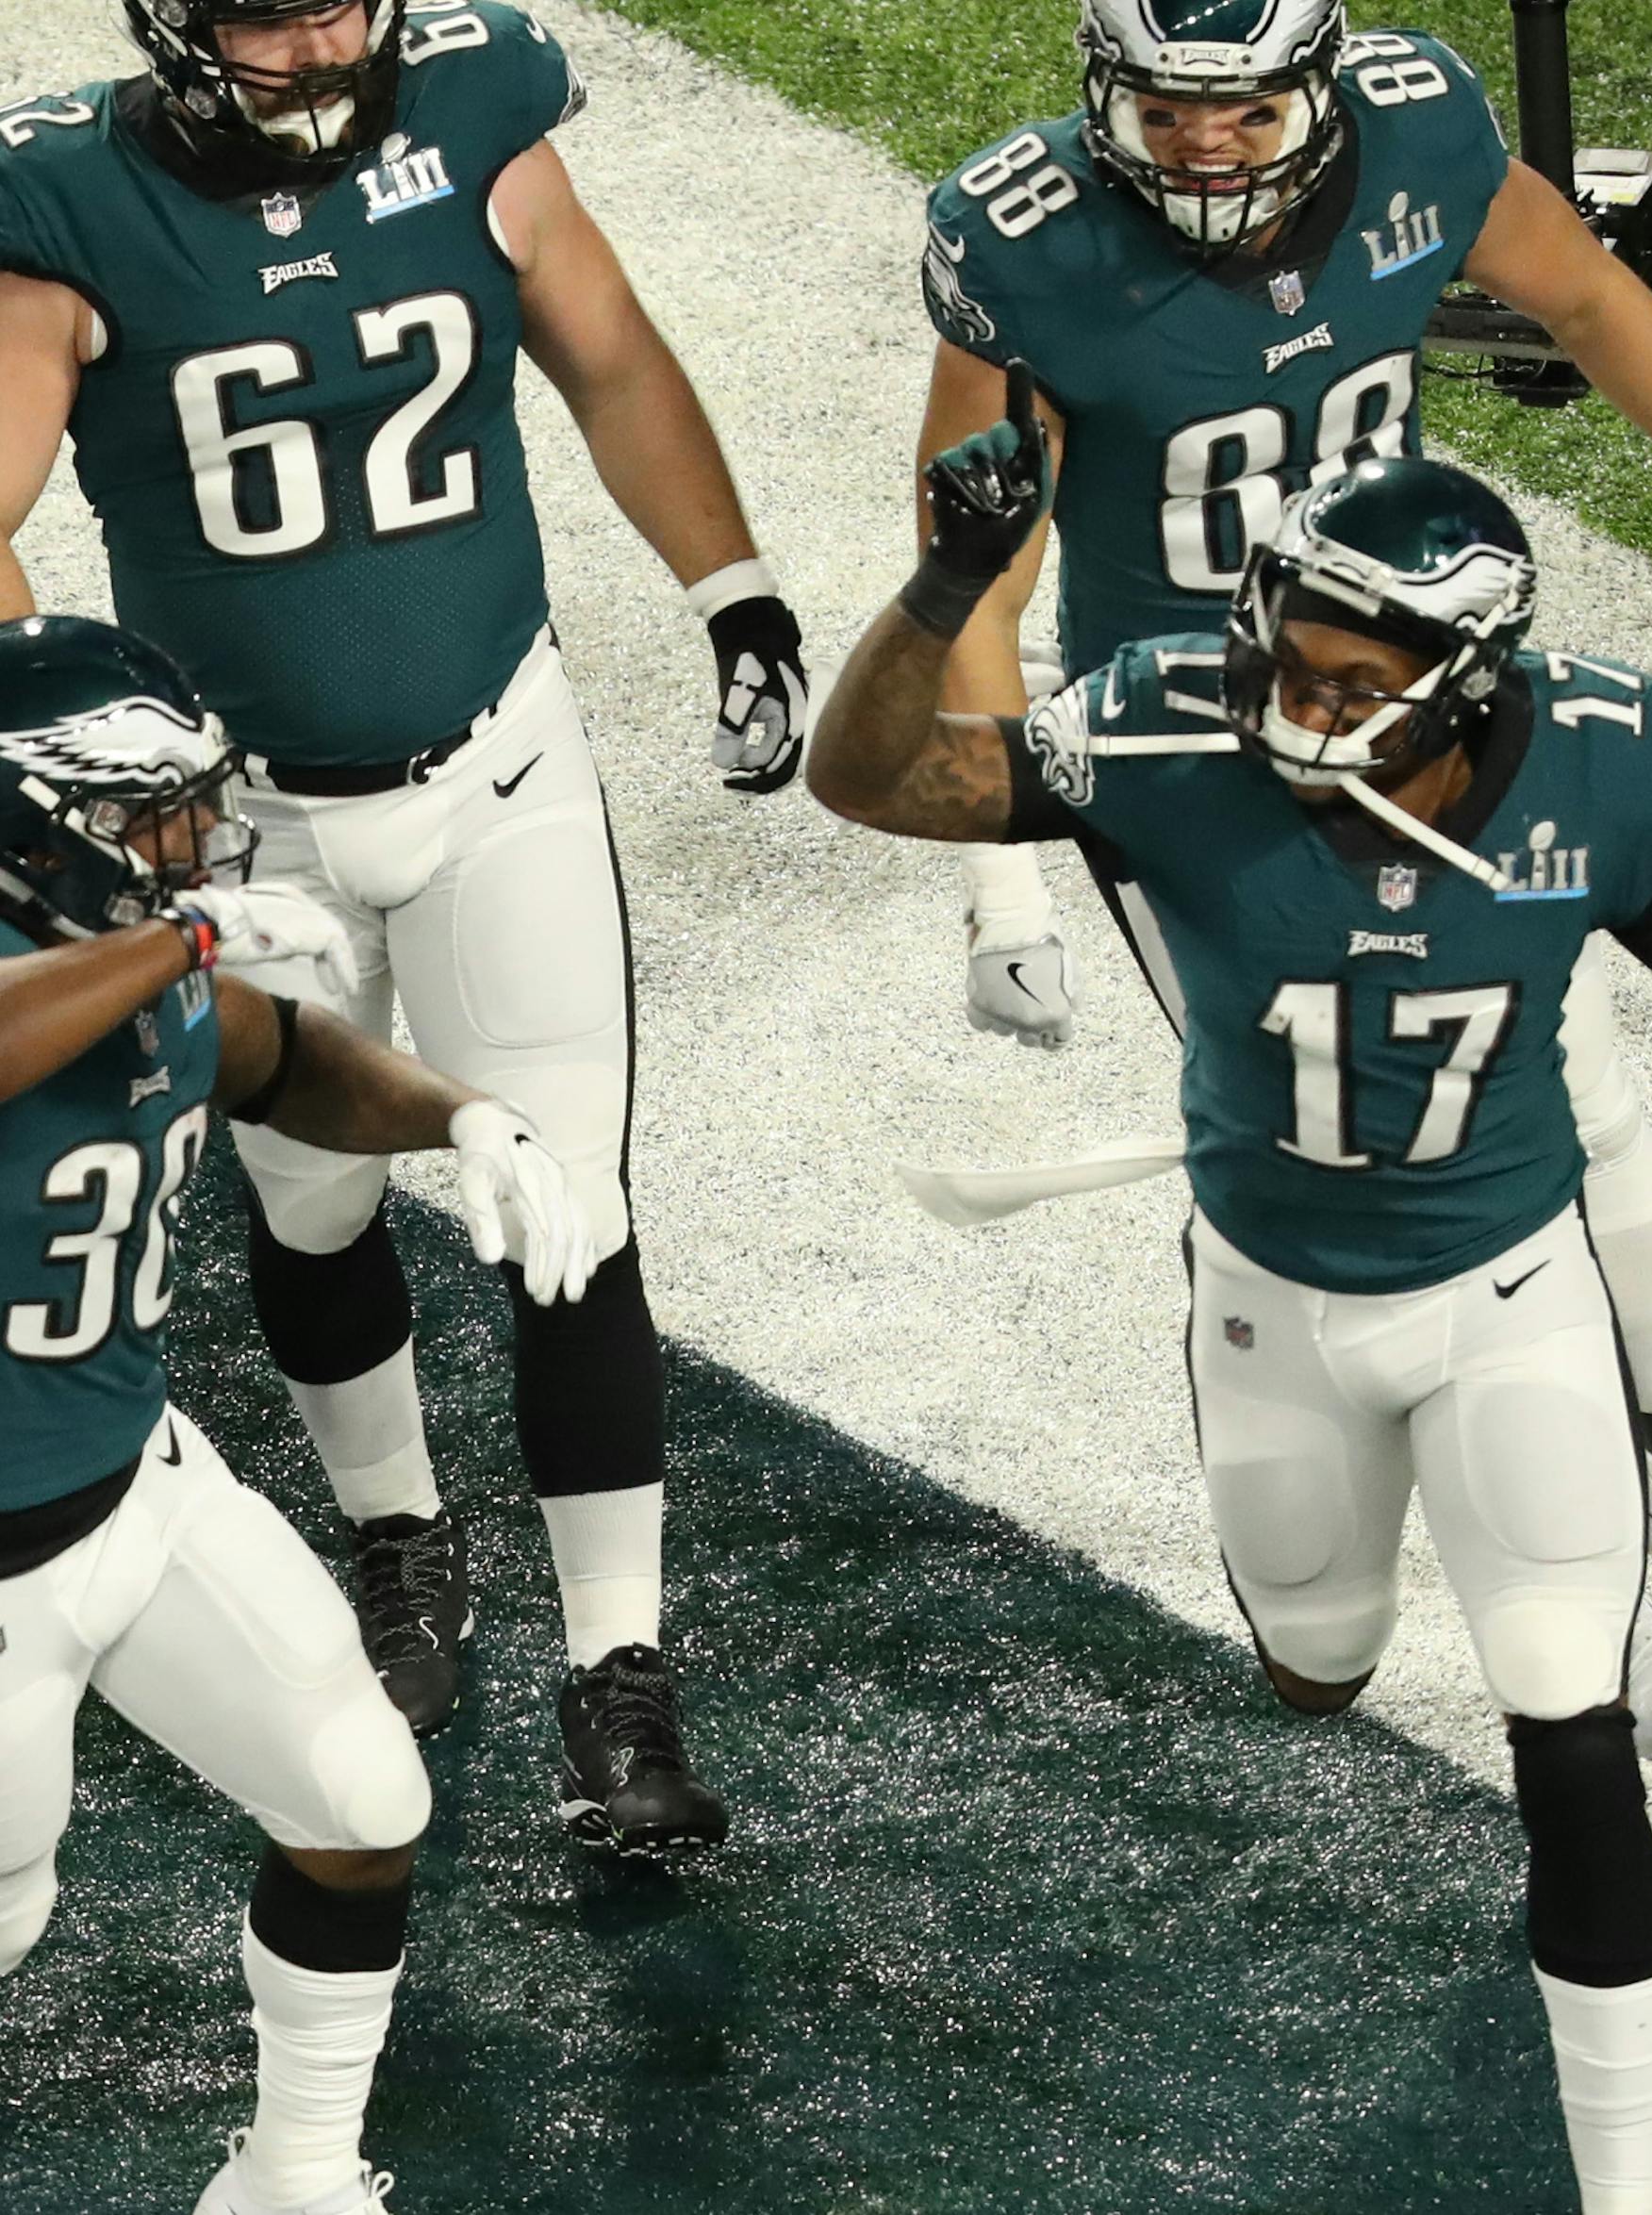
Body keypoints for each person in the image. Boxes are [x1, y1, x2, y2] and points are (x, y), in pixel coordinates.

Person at [807, 405, 1652, 2214]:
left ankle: (1625, 2176)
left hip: (1511, 1294)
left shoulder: (1603, 764)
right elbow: (865, 778)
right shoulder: (1165, 726)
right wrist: (941, 589)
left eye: (1343, 675)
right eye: (1283, 656)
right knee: (1320, 1672)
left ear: (1460, 688)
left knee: (1569, 1730)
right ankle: (1571, 1580)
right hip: (1271, 1299)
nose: (1288, 700)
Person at [911, 0, 1652, 1687]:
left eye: (1245, 109)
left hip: (1435, 699)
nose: (1206, 148)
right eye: (1166, 109)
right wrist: (1000, 871)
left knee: (1587, 1097)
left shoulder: (1418, 118)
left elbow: (1576, 285)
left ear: (1325, 84)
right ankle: (1595, 1563)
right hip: (1203, 754)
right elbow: (980, 556)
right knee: (1388, 1141)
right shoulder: (1027, 240)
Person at [0, 0, 800, 1845]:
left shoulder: (477, 94)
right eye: (271, 20)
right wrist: (73, 759)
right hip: (246, 812)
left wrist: (733, 585)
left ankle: (622, 1670)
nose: (316, 49)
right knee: (315, 1201)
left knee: (569, 1203)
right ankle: (395, 1533)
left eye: (338, 6)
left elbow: (607, 357)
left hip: (496, 764)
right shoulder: (67, 201)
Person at [0, 614, 595, 2215]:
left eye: (195, 804)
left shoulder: (146, 956)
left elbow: (280, 1060)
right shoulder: (134, 952)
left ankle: (293, 2179)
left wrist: (462, 1113)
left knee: (357, 1797)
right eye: (144, 816)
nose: (190, 845)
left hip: (131, 1486)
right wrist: (180, 942)